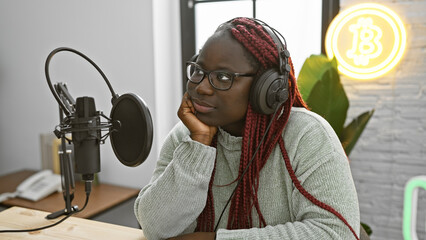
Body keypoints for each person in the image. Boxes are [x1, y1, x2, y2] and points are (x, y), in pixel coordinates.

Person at [134, 17, 360, 240]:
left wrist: (214, 239)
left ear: (266, 88)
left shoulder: (307, 135)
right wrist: (198, 145)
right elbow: (156, 228)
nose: (201, 87)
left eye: (223, 77)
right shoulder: (187, 135)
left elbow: (336, 234)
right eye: (198, 71)